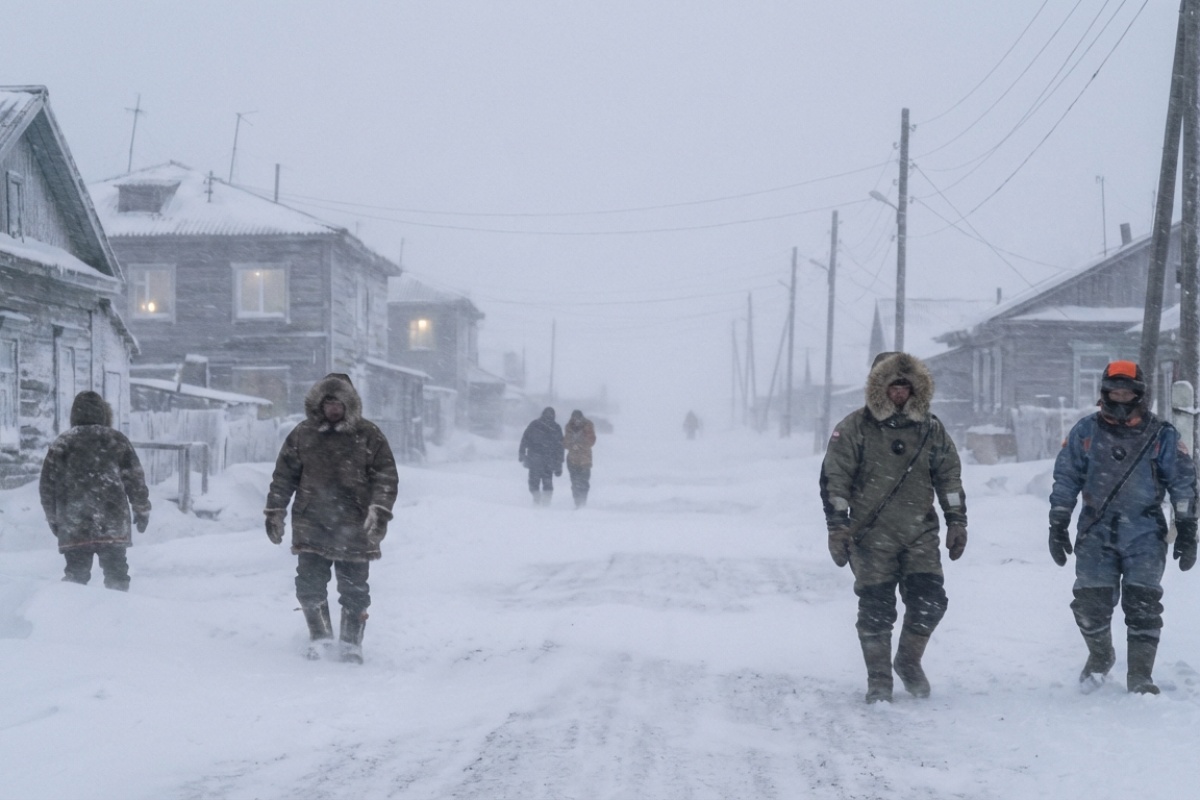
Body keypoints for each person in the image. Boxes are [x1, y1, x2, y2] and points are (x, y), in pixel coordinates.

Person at [819, 351, 968, 703]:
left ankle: (908, 660)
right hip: (871, 537)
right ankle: (879, 680)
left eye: (905, 386)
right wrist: (837, 526)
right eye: (891, 386)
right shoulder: (854, 428)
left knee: (930, 602)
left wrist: (957, 521)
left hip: (919, 534)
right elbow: (834, 479)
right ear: (877, 388)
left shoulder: (931, 429)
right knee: (876, 609)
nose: (898, 393)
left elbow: (949, 477)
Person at [1049, 360, 1197, 694]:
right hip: (1095, 530)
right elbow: (1066, 477)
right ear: (1104, 393)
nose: (1120, 397)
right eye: (1114, 390)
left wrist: (1187, 528)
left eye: (1127, 391)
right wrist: (1057, 521)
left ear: (1139, 395)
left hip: (1144, 530)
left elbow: (1183, 483)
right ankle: (1101, 655)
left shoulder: (1162, 436)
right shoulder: (1085, 432)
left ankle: (1140, 675)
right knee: (1089, 603)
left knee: (1143, 603)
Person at [264, 373, 398, 664]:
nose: (334, 409)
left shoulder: (368, 435)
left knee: (354, 589)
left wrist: (380, 511)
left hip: (355, 525)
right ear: (319, 405)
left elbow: (386, 476)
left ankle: (351, 645)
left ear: (349, 405)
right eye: (328, 403)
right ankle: (321, 638)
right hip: (312, 524)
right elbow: (284, 477)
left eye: (339, 403)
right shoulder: (303, 434)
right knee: (309, 586)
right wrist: (275, 510)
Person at [39, 390, 151, 591]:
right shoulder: (116, 440)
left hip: (75, 524)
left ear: (74, 414)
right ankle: (119, 617)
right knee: (116, 575)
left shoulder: (62, 443)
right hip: (112, 523)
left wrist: (54, 518)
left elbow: (47, 487)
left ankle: (71, 617)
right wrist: (141, 508)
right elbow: (134, 478)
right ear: (103, 413)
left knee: (76, 579)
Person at [519, 407, 564, 505]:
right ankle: (543, 500)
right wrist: (559, 463)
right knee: (546, 481)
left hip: (537, 458)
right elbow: (560, 447)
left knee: (535, 481)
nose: (549, 416)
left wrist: (522, 453)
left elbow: (525, 439)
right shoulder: (555, 427)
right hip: (547, 459)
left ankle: (539, 498)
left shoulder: (535, 425)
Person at [563, 409, 597, 508]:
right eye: (575, 418)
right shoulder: (568, 427)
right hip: (572, 459)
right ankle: (577, 502)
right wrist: (570, 445)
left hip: (585, 459)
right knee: (574, 482)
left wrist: (579, 445)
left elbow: (591, 440)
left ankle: (583, 501)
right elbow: (565, 442)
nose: (576, 420)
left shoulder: (588, 425)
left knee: (584, 482)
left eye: (578, 418)